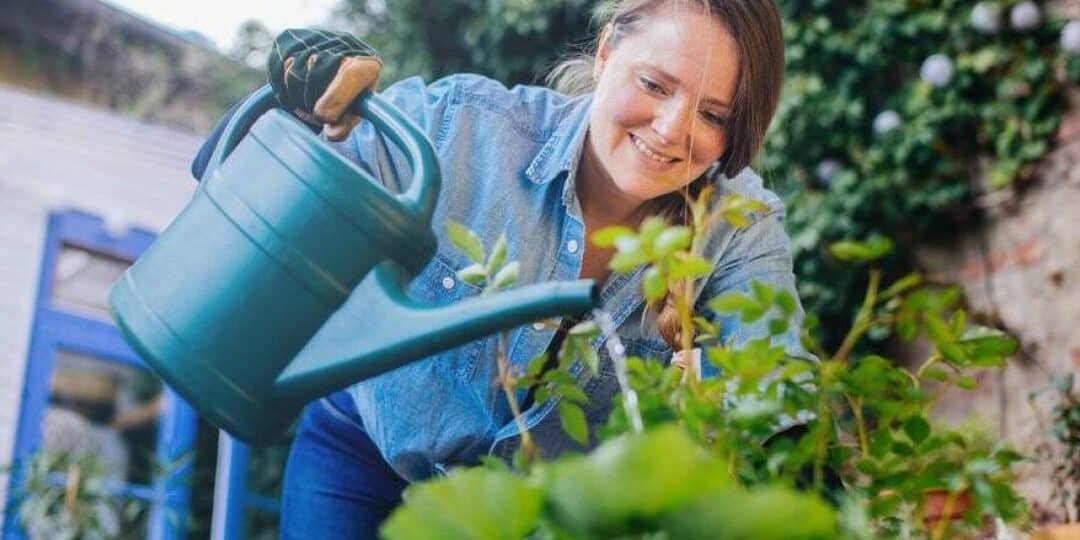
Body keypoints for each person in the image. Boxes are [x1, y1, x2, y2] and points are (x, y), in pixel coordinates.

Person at [193, 1, 805, 537]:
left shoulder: (738, 228)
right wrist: (299, 103)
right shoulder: (462, 127)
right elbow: (242, 179)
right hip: (364, 455)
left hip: (527, 520)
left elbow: (778, 383)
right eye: (654, 84)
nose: (672, 130)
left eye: (713, 115)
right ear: (606, 51)